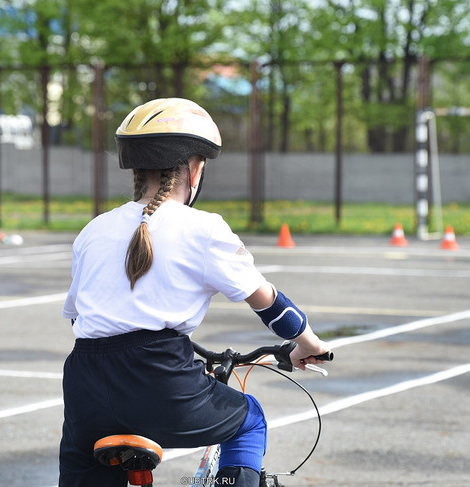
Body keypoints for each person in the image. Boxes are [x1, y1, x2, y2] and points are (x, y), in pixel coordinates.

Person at [59, 97, 330, 487]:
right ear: (194, 167)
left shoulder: (94, 230)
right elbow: (267, 301)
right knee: (249, 419)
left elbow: (77, 317)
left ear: (136, 168)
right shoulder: (204, 229)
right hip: (161, 382)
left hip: (86, 387)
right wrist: (308, 342)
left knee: (85, 471)